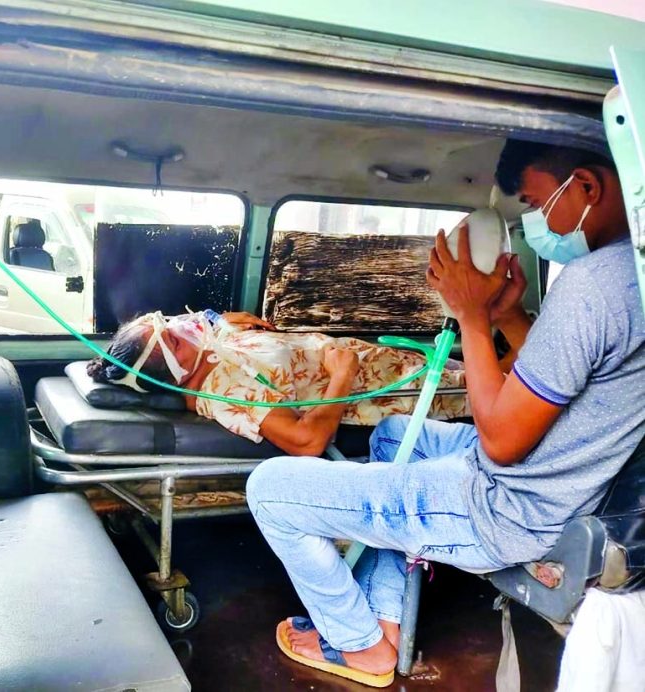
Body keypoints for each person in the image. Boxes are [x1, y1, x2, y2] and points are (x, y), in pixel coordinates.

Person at [244, 140, 645, 687]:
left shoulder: (592, 284)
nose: (533, 224)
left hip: (508, 507)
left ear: (587, 187)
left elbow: (503, 439)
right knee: (391, 434)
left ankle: (358, 646)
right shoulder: (630, 276)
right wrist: (506, 318)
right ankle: (384, 617)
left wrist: (472, 317)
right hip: (564, 478)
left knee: (270, 490)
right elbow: (567, 383)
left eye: (534, 202)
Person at [86, 310, 469, 456]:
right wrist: (343, 374)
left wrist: (221, 319)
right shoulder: (225, 391)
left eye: (165, 322)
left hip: (400, 363)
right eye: (170, 336)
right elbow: (307, 442)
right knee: (499, 389)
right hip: (408, 395)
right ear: (175, 370)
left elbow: (205, 321)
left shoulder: (211, 347)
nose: (178, 326)